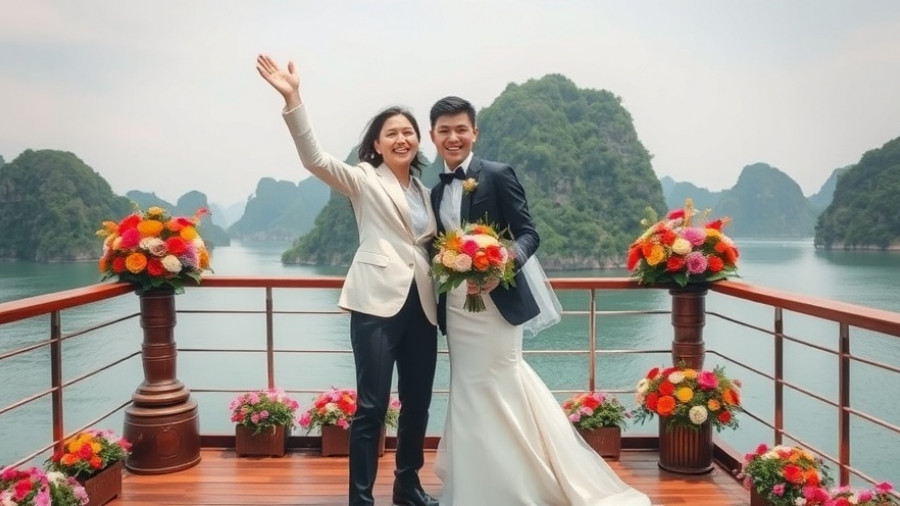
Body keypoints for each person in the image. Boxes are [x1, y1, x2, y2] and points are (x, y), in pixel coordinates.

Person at [429, 95, 652, 506]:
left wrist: (502, 262)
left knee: (502, 383)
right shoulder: (436, 190)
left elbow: (529, 233)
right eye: (444, 130)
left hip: (497, 307)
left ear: (475, 132)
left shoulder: (496, 174)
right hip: (458, 309)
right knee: (466, 389)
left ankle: (526, 482)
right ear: (433, 136)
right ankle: (476, 485)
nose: (453, 137)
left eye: (461, 129)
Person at [256, 55, 439, 506]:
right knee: (372, 406)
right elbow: (315, 159)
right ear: (376, 144)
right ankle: (361, 498)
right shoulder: (363, 180)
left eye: (408, 132)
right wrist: (293, 98)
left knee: (418, 402)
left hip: (423, 306)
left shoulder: (426, 192)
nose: (402, 138)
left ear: (418, 141)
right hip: (375, 304)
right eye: (391, 133)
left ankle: (407, 485)